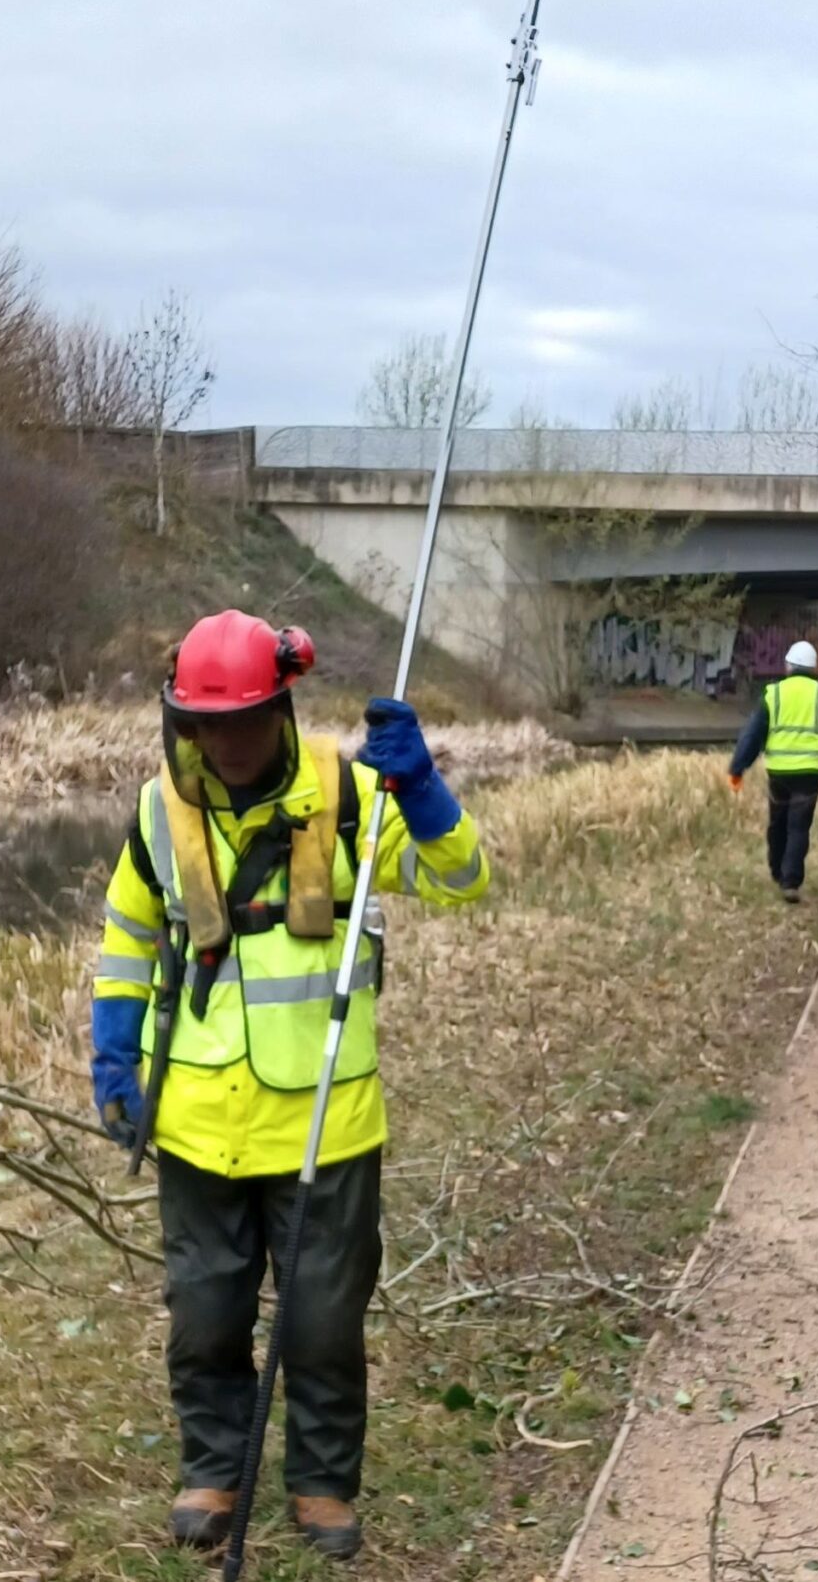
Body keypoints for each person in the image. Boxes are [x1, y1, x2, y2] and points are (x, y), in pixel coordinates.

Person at [91, 611, 492, 1561]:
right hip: (196, 1124)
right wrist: (116, 1059)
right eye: (205, 725)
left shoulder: (352, 797)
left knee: (320, 1322)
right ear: (180, 721)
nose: (224, 743)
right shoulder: (158, 814)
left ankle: (320, 1483)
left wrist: (422, 787)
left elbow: (463, 874)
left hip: (327, 1124)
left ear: (281, 708)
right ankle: (213, 1469)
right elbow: (126, 944)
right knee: (205, 1314)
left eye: (243, 721)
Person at [726, 638, 818, 902]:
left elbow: (752, 735)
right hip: (810, 773)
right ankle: (790, 882)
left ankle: (776, 869)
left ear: (788, 667)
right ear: (813, 669)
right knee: (799, 826)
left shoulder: (773, 695)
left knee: (777, 822)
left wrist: (738, 768)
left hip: (779, 772)